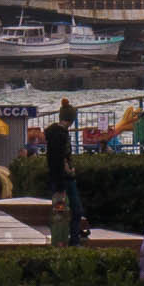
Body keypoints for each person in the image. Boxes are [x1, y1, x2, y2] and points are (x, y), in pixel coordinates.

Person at [45, 100, 86, 245]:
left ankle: (62, 239)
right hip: (63, 179)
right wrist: (68, 169)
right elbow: (60, 155)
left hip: (59, 179)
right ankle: (72, 241)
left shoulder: (54, 132)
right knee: (74, 210)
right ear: (71, 119)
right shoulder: (60, 134)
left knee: (61, 212)